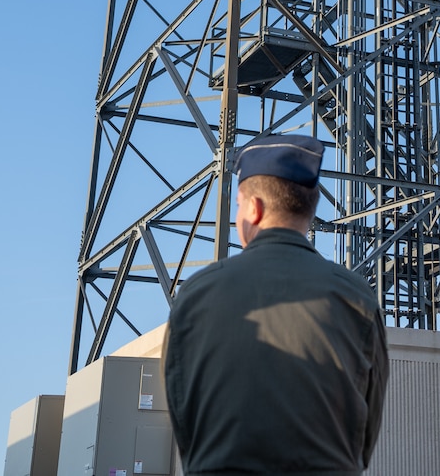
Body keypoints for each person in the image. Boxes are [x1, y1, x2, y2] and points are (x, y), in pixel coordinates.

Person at [163, 134, 389, 476]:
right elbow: (365, 437)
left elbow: (184, 423)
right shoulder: (357, 298)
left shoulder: (197, 294)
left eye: (238, 205)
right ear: (310, 209)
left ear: (253, 208)